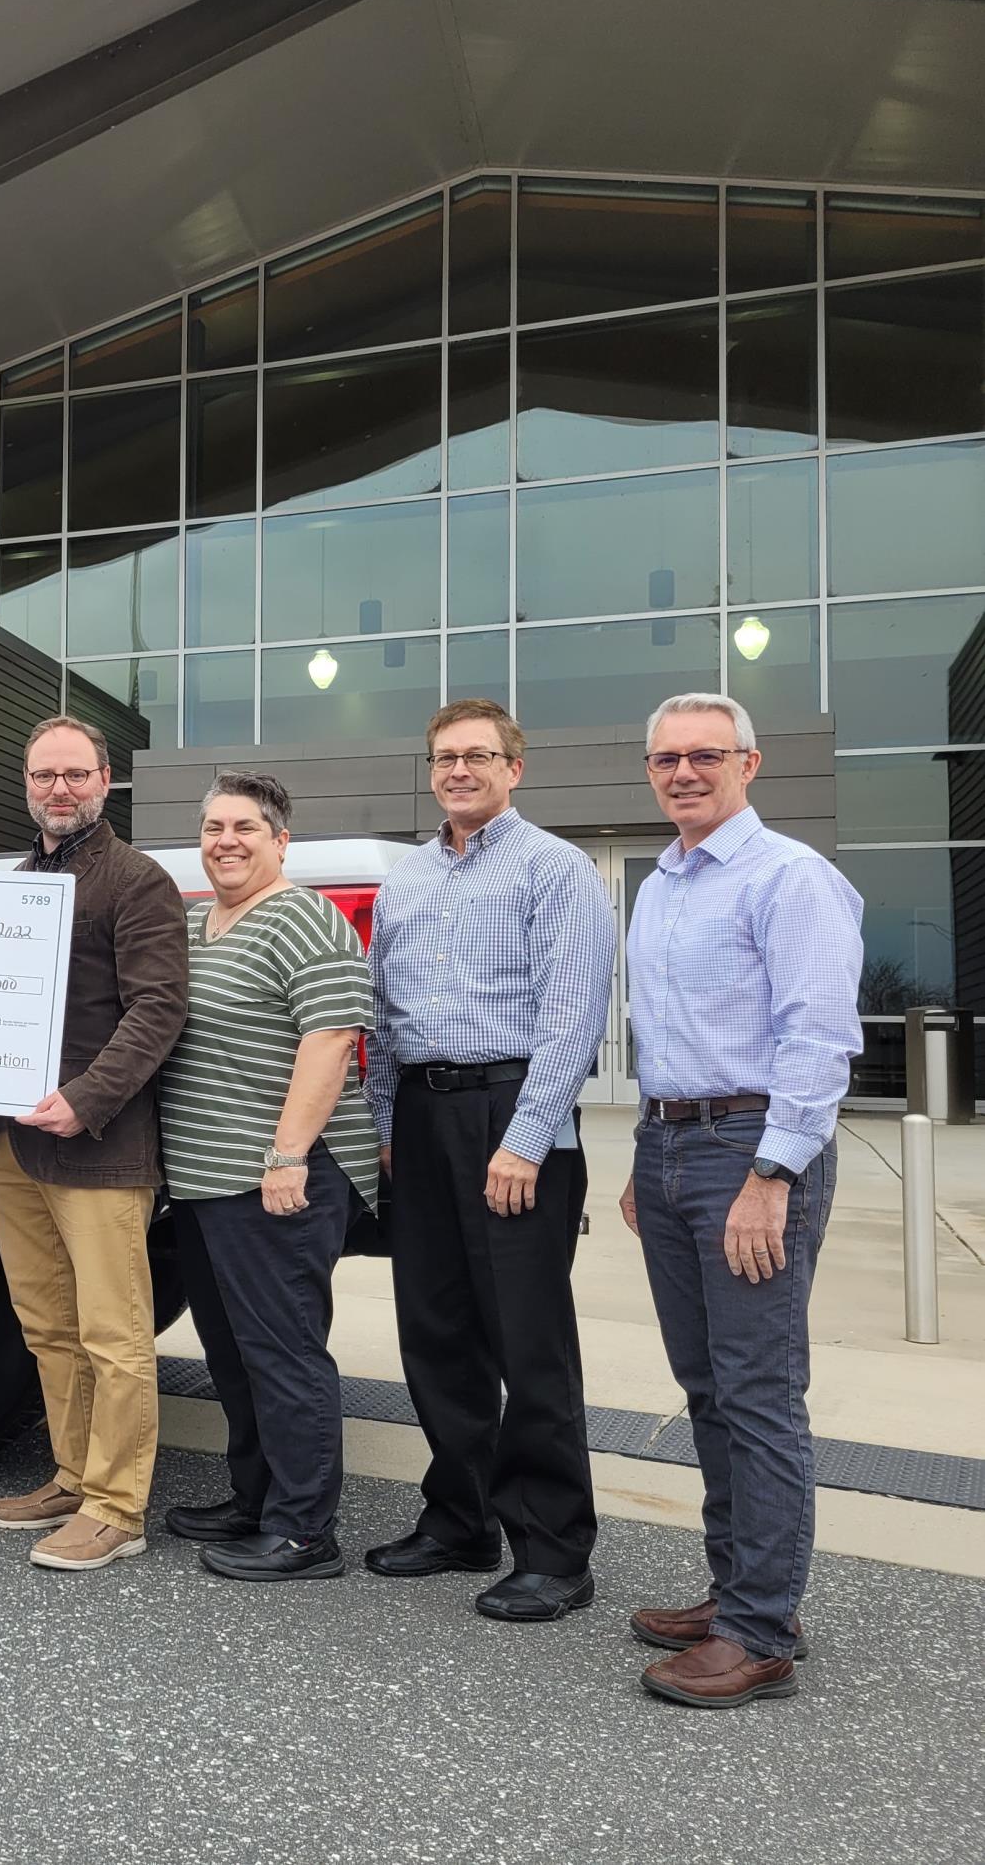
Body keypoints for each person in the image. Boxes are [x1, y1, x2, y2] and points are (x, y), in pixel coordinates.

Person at [619, 694, 862, 1708]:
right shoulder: (663, 883)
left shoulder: (788, 878)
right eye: (666, 757)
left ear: (748, 763)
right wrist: (646, 1149)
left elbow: (818, 1038)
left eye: (704, 755)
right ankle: (740, 1592)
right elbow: (667, 1031)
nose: (683, 772)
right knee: (708, 1385)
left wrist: (772, 1175)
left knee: (758, 1392)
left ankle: (759, 1632)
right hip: (671, 1142)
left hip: (750, 1151)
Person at [363, 699, 616, 1621]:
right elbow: (384, 1021)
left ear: (517, 766)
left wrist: (526, 1138)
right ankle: (459, 1517)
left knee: (528, 1341)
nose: (459, 769)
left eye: (478, 754)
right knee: (436, 1329)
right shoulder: (408, 879)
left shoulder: (556, 870)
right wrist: (390, 1125)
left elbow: (573, 1015)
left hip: (514, 1115)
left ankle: (553, 1548)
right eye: (444, 756)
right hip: (425, 1120)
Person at [0, 716, 188, 1572]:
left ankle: (116, 1504)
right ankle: (72, 1474)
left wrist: (86, 1097)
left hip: (98, 1141)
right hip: (12, 1144)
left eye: (75, 774)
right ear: (26, 785)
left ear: (105, 780)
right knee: (48, 1326)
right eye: (43, 775)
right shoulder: (23, 881)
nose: (58, 789)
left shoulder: (137, 881)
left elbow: (157, 1010)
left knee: (114, 1329)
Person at [159, 771, 377, 1582]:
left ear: (280, 840)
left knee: (285, 1353)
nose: (226, 841)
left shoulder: (304, 918)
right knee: (232, 1352)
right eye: (213, 826)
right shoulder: (195, 923)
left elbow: (329, 1038)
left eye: (245, 827)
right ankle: (254, 1496)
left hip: (277, 1179)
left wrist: (287, 1155)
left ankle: (304, 1528)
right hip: (206, 1182)